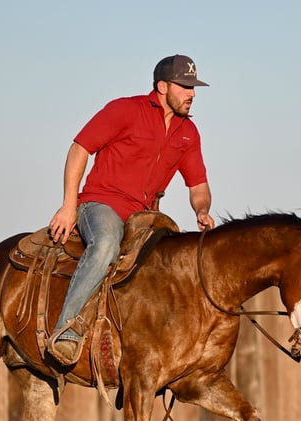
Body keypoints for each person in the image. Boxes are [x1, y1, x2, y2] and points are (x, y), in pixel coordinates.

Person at [46, 54, 216, 366]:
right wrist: (69, 207)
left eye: (194, 87)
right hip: (101, 204)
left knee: (175, 261)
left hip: (145, 217)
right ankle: (66, 329)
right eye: (186, 86)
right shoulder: (125, 109)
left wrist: (202, 211)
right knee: (107, 243)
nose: (193, 93)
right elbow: (79, 148)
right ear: (163, 86)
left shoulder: (188, 133)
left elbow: (198, 185)